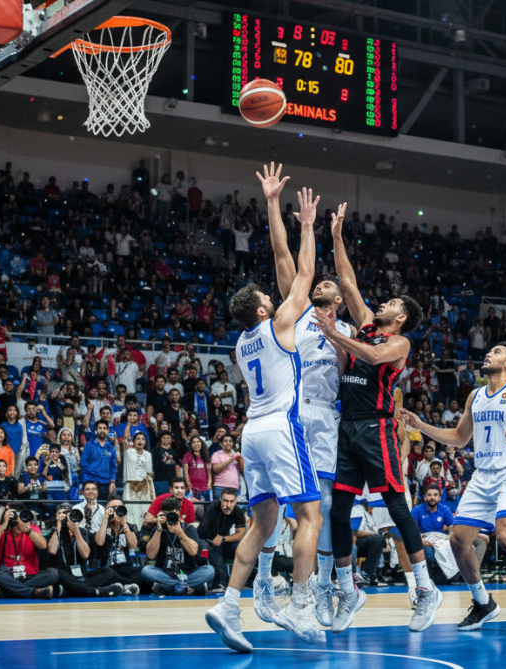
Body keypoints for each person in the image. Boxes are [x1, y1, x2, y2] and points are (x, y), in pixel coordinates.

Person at [206, 185, 325, 653]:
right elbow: (303, 269)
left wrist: (273, 204)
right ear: (262, 309)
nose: (274, 298)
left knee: (262, 523)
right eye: (265, 298)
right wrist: (309, 225)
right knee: (310, 515)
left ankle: (229, 603)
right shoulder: (279, 326)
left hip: (251, 433)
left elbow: (280, 256)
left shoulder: (241, 344)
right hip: (280, 427)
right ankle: (298, 604)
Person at [312, 200, 439, 635]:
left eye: (389, 303)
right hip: (348, 426)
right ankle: (347, 590)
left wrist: (332, 333)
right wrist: (335, 237)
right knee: (340, 511)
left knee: (396, 507)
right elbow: (346, 280)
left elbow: (369, 354)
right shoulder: (364, 322)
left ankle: (425, 590)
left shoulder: (399, 345)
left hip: (378, 426)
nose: (379, 304)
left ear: (400, 318)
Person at [402, 342, 506, 638]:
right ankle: (483, 602)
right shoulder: (475, 396)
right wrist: (421, 425)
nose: (489, 354)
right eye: (489, 351)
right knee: (458, 540)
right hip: (482, 475)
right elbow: (460, 438)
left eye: (497, 352)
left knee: (505, 536)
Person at [259, 162, 357, 627]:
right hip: (290, 413)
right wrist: (278, 207)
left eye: (326, 285)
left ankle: (321, 589)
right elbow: (285, 258)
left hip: (326, 418)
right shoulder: (295, 315)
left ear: (337, 298)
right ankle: (263, 582)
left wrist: (336, 336)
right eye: (317, 283)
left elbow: (350, 373)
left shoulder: (349, 330)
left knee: (321, 506)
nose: (318, 284)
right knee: (276, 502)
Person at [0, 502, 61, 599]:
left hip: (29, 575)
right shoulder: (0, 529)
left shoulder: (32, 529)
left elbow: (43, 546)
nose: (17, 519)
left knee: (53, 573)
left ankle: (7, 592)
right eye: (15, 515)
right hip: (7, 575)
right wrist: (3, 525)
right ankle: (33, 592)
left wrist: (28, 531)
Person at [143, 495, 214, 596]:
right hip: (166, 573)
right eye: (167, 514)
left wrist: (179, 532)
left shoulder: (188, 528)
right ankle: (187, 588)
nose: (170, 517)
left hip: (188, 573)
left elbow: (193, 551)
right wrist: (158, 529)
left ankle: (168, 588)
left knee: (209, 570)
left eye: (173, 513)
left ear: (179, 513)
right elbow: (150, 555)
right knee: (146, 571)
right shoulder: (159, 530)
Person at [198, 487, 247, 591]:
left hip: (223, 541)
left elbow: (240, 534)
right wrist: (215, 540)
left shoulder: (238, 511)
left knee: (243, 546)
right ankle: (219, 583)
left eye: (231, 502)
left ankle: (248, 580)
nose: (228, 505)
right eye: (225, 501)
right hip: (206, 541)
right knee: (213, 548)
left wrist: (223, 539)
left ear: (236, 501)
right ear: (220, 500)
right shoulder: (213, 508)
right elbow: (202, 531)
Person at [92, 499, 142, 594]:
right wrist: (105, 518)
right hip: (108, 568)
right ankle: (127, 586)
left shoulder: (130, 527)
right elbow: (99, 542)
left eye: (119, 508)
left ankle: (119, 587)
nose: (116, 511)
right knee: (109, 574)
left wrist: (123, 523)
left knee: (141, 571)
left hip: (125, 568)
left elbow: (133, 546)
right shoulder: (103, 526)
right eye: (113, 508)